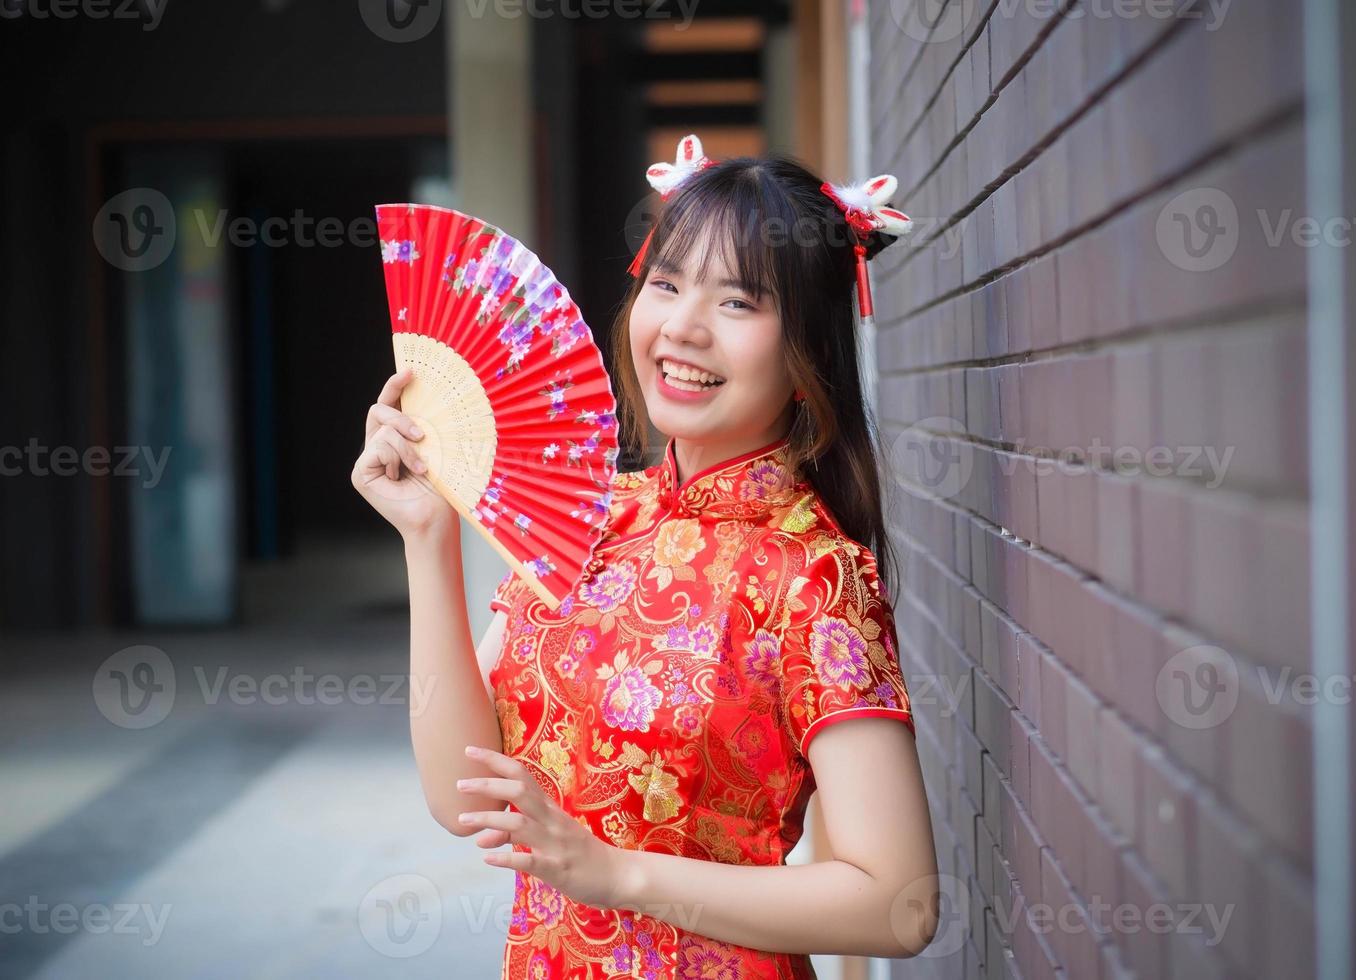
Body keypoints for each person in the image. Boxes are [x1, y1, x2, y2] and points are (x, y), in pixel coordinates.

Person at [352, 138, 940, 978]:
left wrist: (615, 874)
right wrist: (428, 539)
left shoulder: (813, 576)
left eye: (738, 302)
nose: (682, 328)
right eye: (666, 283)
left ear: (806, 352)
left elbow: (902, 903)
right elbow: (463, 797)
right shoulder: (595, 515)